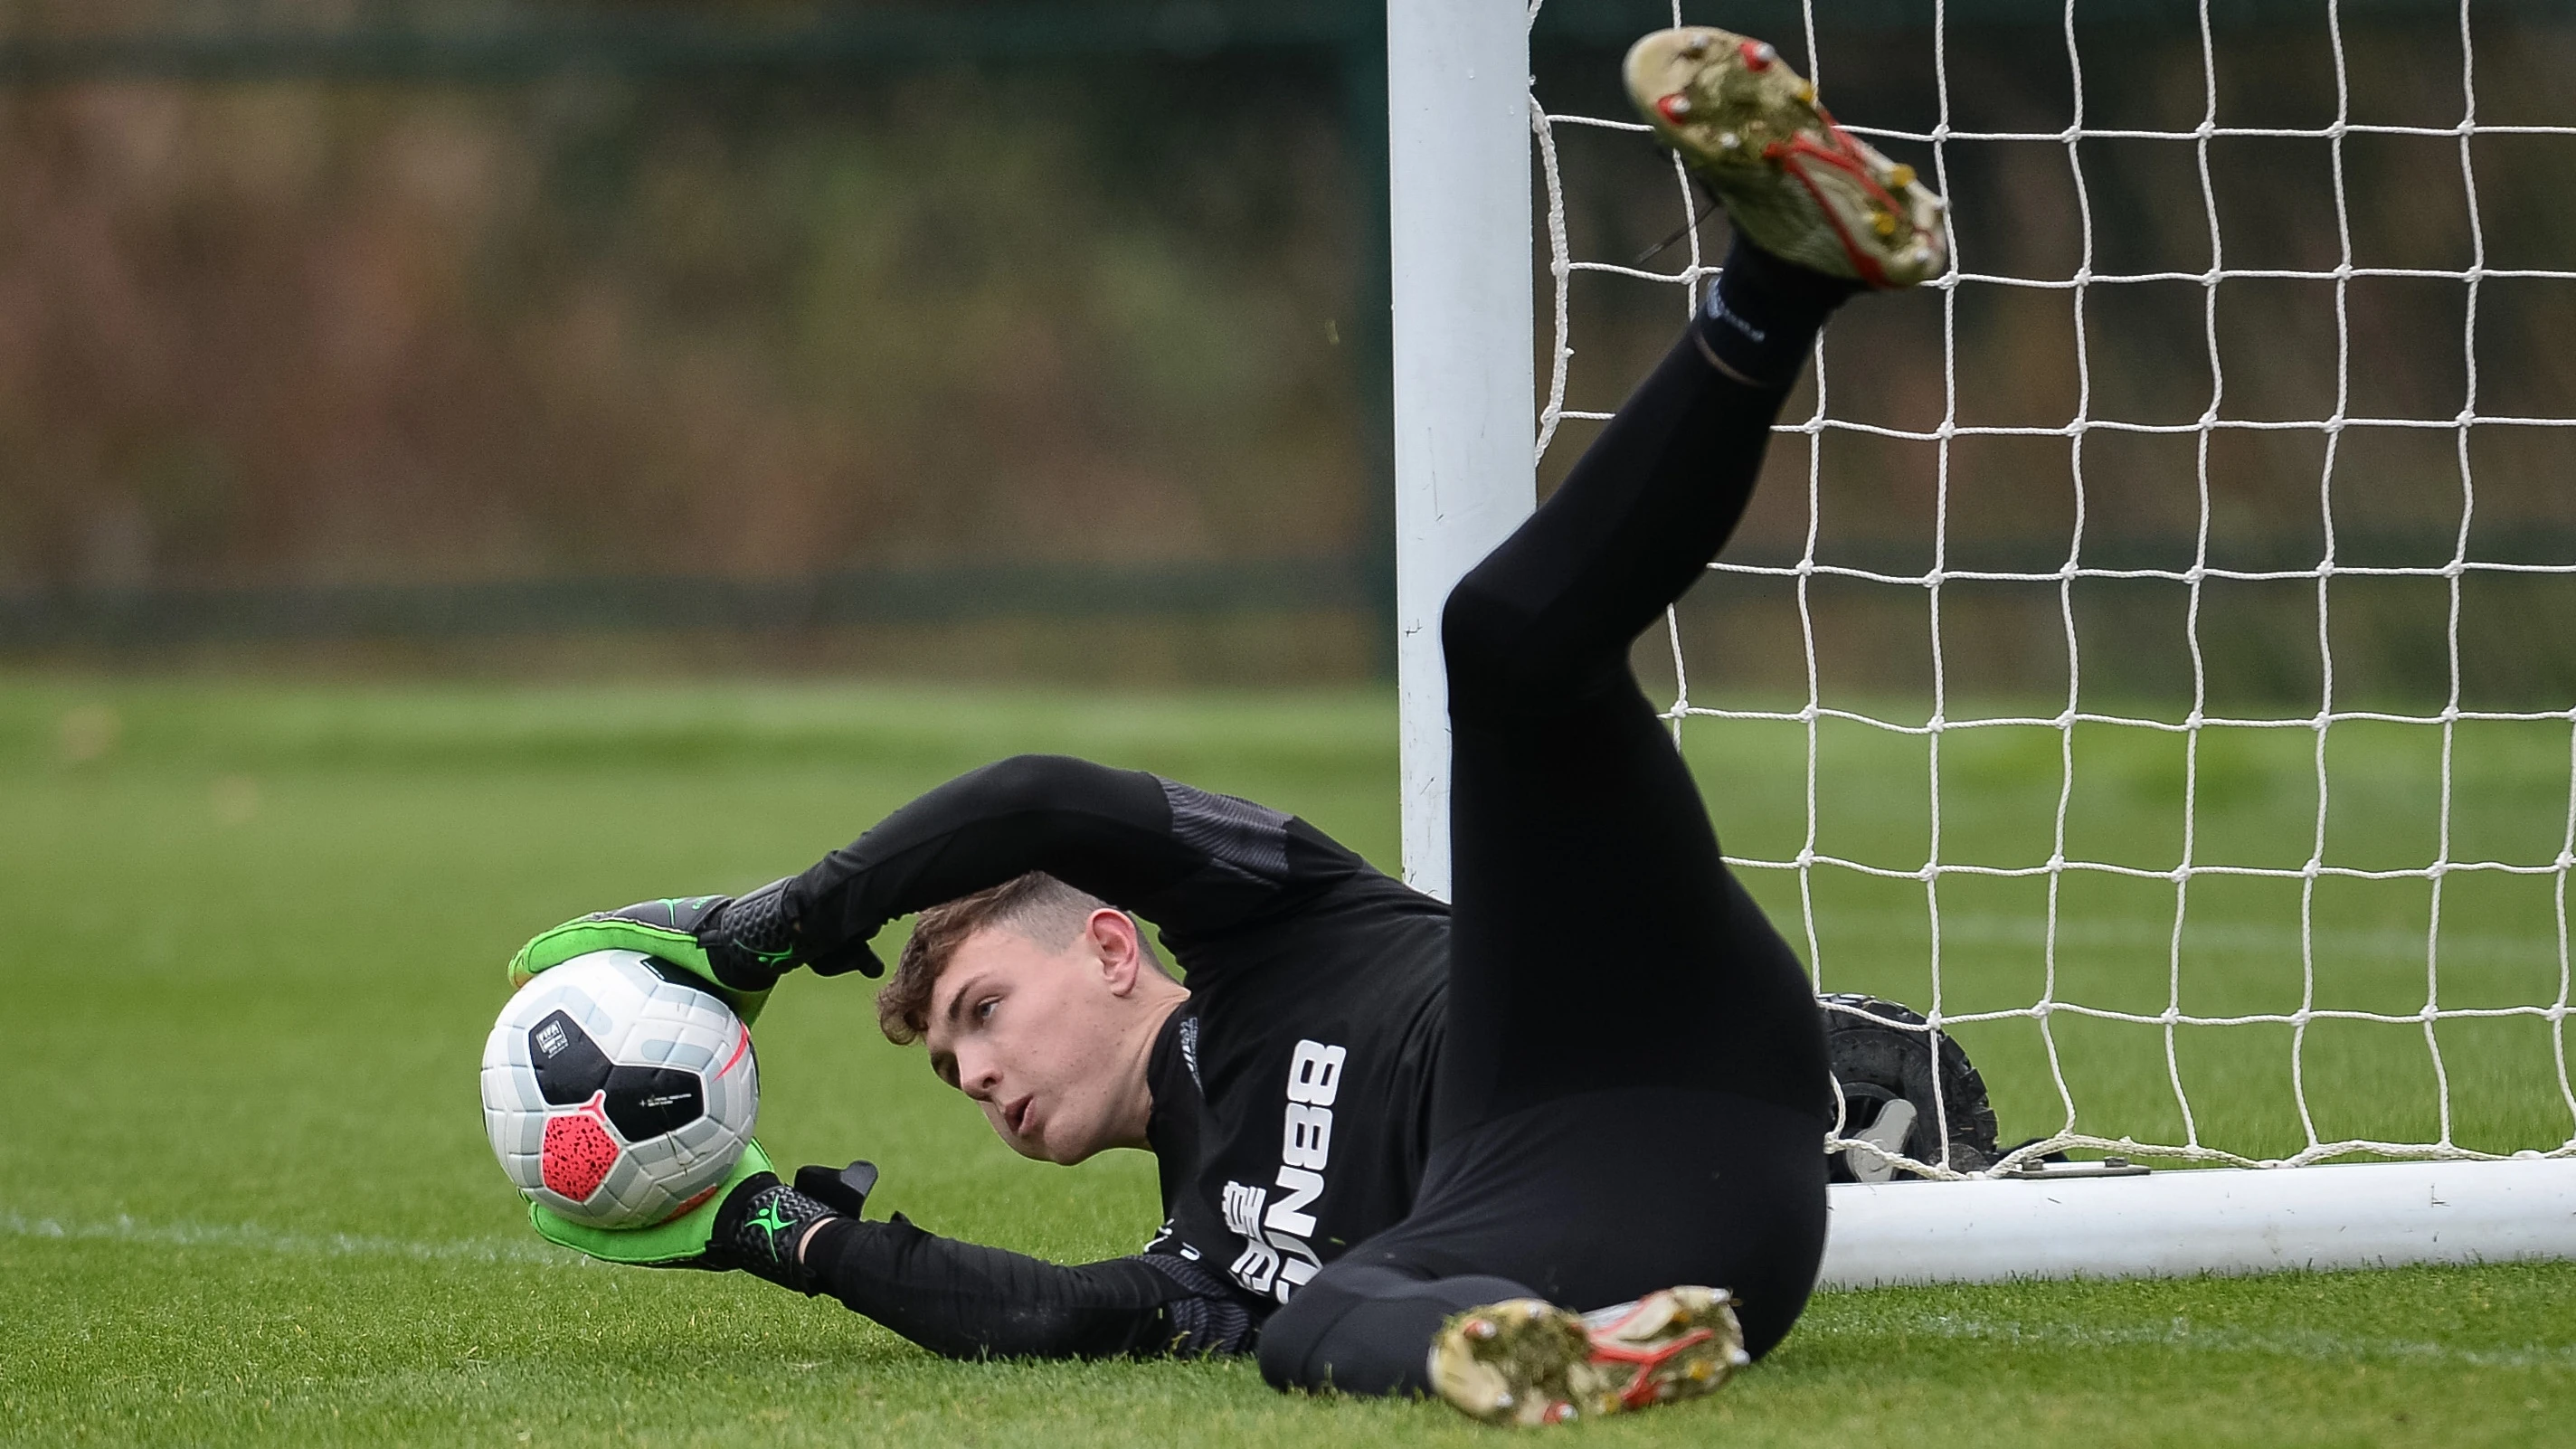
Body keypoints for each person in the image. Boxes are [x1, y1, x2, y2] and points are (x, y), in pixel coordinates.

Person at [506, 26, 1948, 1426]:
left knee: (1502, 645)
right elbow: (1047, 1317)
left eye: (983, 1012)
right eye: (951, 1068)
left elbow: (1041, 792)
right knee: (1312, 1326)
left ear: (1115, 943)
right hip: (1679, 1236)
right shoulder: (1201, 1249)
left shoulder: (1275, 925)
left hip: (1633, 1019)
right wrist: (770, 1228)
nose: (979, 1076)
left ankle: (1780, 279)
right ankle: (1568, 1356)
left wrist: (778, 923)